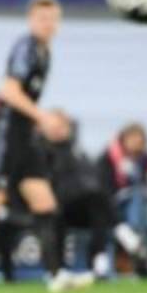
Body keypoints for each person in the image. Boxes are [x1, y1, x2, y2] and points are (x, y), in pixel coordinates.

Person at [0, 0, 91, 293]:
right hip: (8, 132)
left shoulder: (44, 51)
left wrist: (37, 122)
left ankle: (56, 274)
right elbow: (8, 91)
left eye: (52, 19)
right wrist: (42, 116)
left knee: (45, 202)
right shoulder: (25, 47)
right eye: (42, 18)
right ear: (30, 20)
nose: (47, 24)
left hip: (25, 135)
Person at [40, 112, 111, 278]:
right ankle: (56, 268)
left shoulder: (76, 150)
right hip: (52, 205)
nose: (58, 130)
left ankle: (98, 259)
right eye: (54, 126)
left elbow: (91, 178)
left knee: (99, 200)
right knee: (54, 214)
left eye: (62, 126)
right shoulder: (39, 150)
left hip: (77, 204)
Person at [98, 122, 147, 276]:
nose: (136, 144)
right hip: (111, 209)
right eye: (133, 139)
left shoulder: (145, 160)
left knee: (138, 200)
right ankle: (133, 235)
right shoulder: (108, 158)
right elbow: (103, 190)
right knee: (135, 199)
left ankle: (134, 237)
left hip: (135, 207)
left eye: (139, 141)